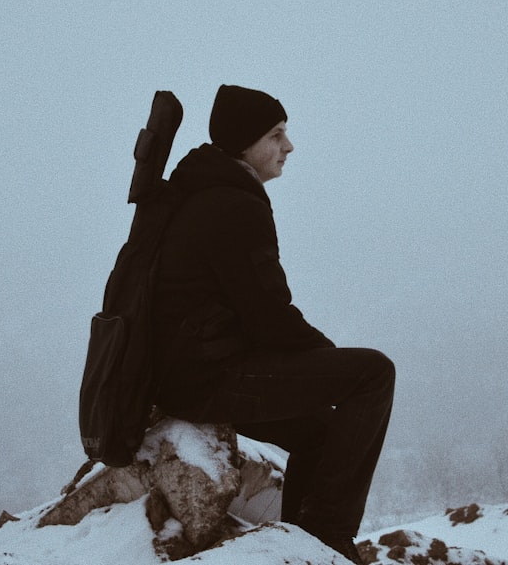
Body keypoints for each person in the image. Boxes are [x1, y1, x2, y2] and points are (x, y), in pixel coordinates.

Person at [152, 84, 395, 564]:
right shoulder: (233, 204)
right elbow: (270, 319)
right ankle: (327, 536)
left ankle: (299, 542)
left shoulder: (205, 193)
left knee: (319, 433)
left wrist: (319, 365)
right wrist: (329, 361)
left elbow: (253, 314)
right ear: (245, 144)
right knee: (373, 374)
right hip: (207, 378)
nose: (288, 147)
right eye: (276, 135)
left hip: (184, 373)